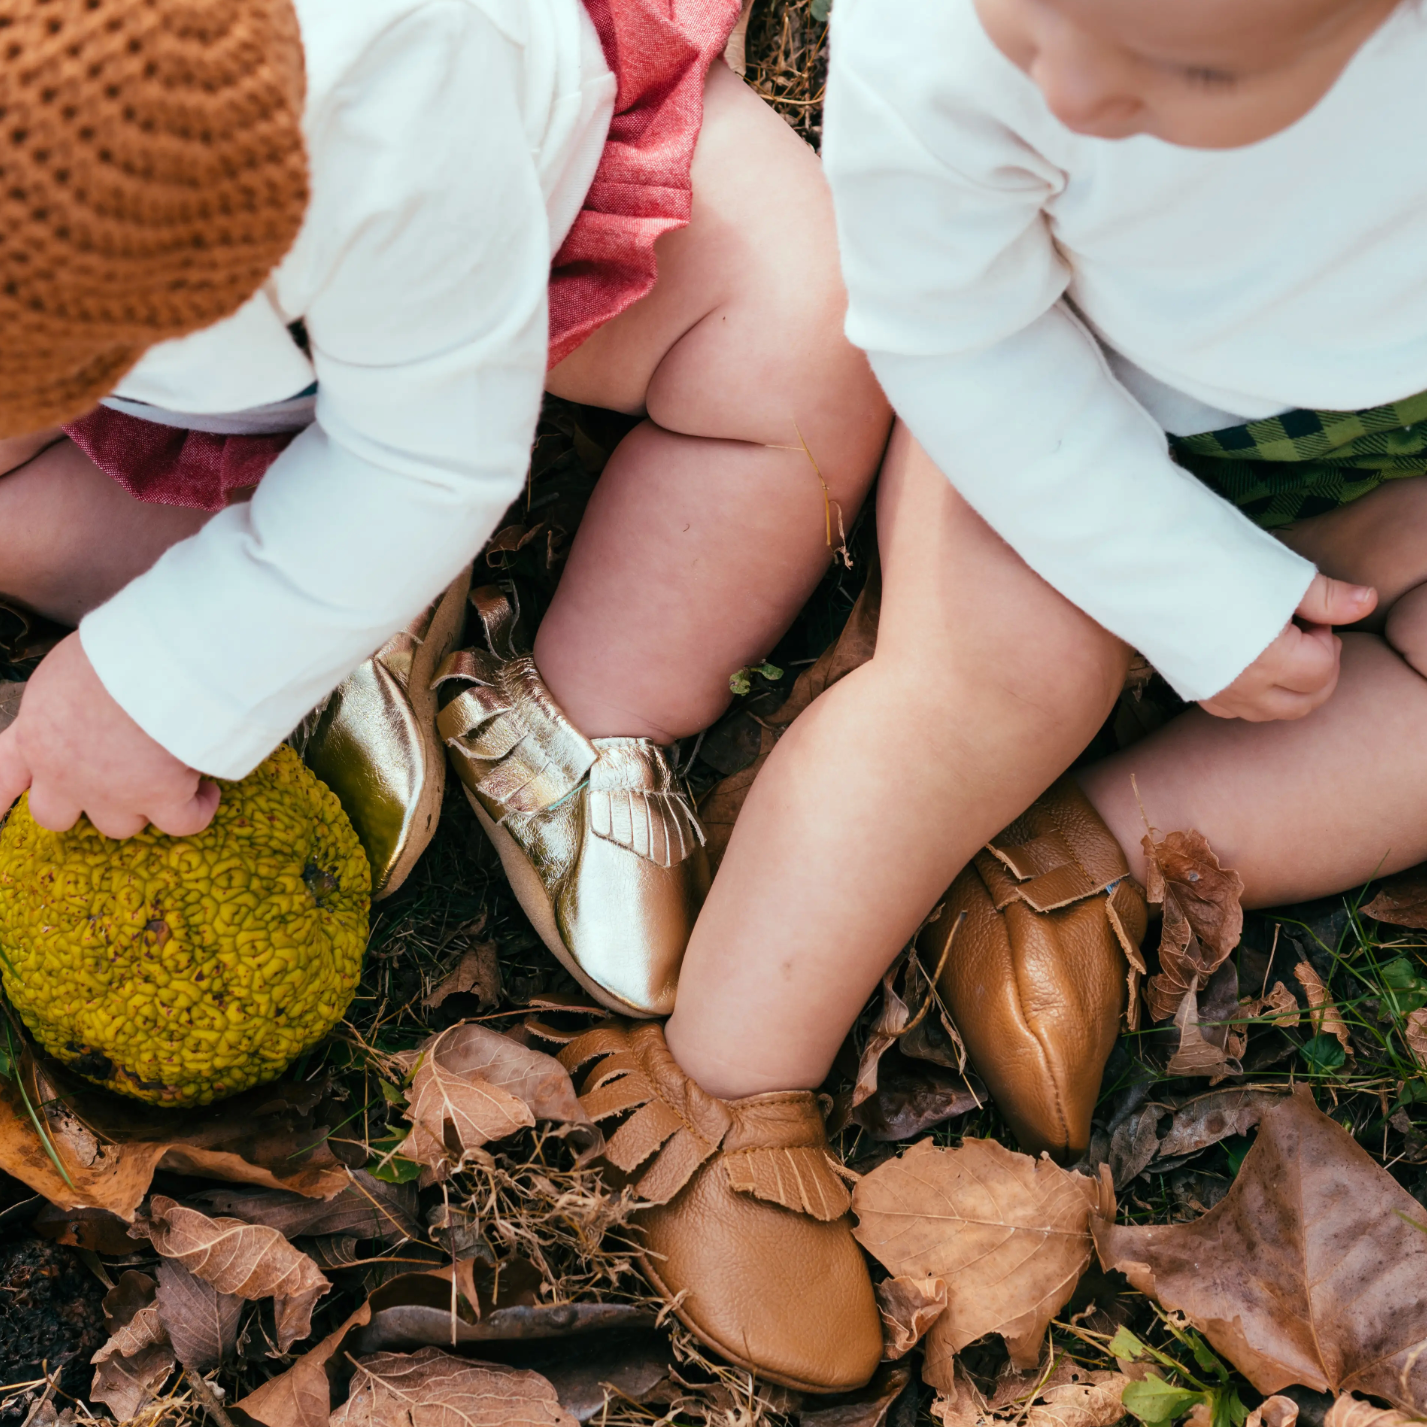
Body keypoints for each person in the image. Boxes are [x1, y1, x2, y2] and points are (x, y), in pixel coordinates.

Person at [0, 0, 891, 1391]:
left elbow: (429, 459)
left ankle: (599, 698)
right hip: (177, 335)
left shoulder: (400, 73)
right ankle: (320, 585)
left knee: (799, 336)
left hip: (531, 216)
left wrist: (161, 675)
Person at [567, 0, 1427, 1390]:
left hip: (1394, 454)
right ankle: (728, 1074)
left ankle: (1093, 861)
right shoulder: (942, 42)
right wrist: (1185, 583)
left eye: (1191, 70)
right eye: (1029, 31)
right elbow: (956, 332)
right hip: (1061, 418)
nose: (1069, 95)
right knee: (991, 683)